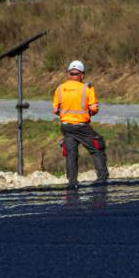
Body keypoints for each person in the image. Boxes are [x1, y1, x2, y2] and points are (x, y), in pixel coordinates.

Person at [52, 60, 108, 189]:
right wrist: (87, 114)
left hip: (66, 126)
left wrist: (66, 116)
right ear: (82, 75)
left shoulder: (60, 88)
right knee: (97, 147)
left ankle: (72, 183)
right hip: (82, 127)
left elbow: (55, 110)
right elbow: (94, 108)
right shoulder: (87, 88)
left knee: (71, 154)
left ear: (68, 74)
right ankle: (102, 180)